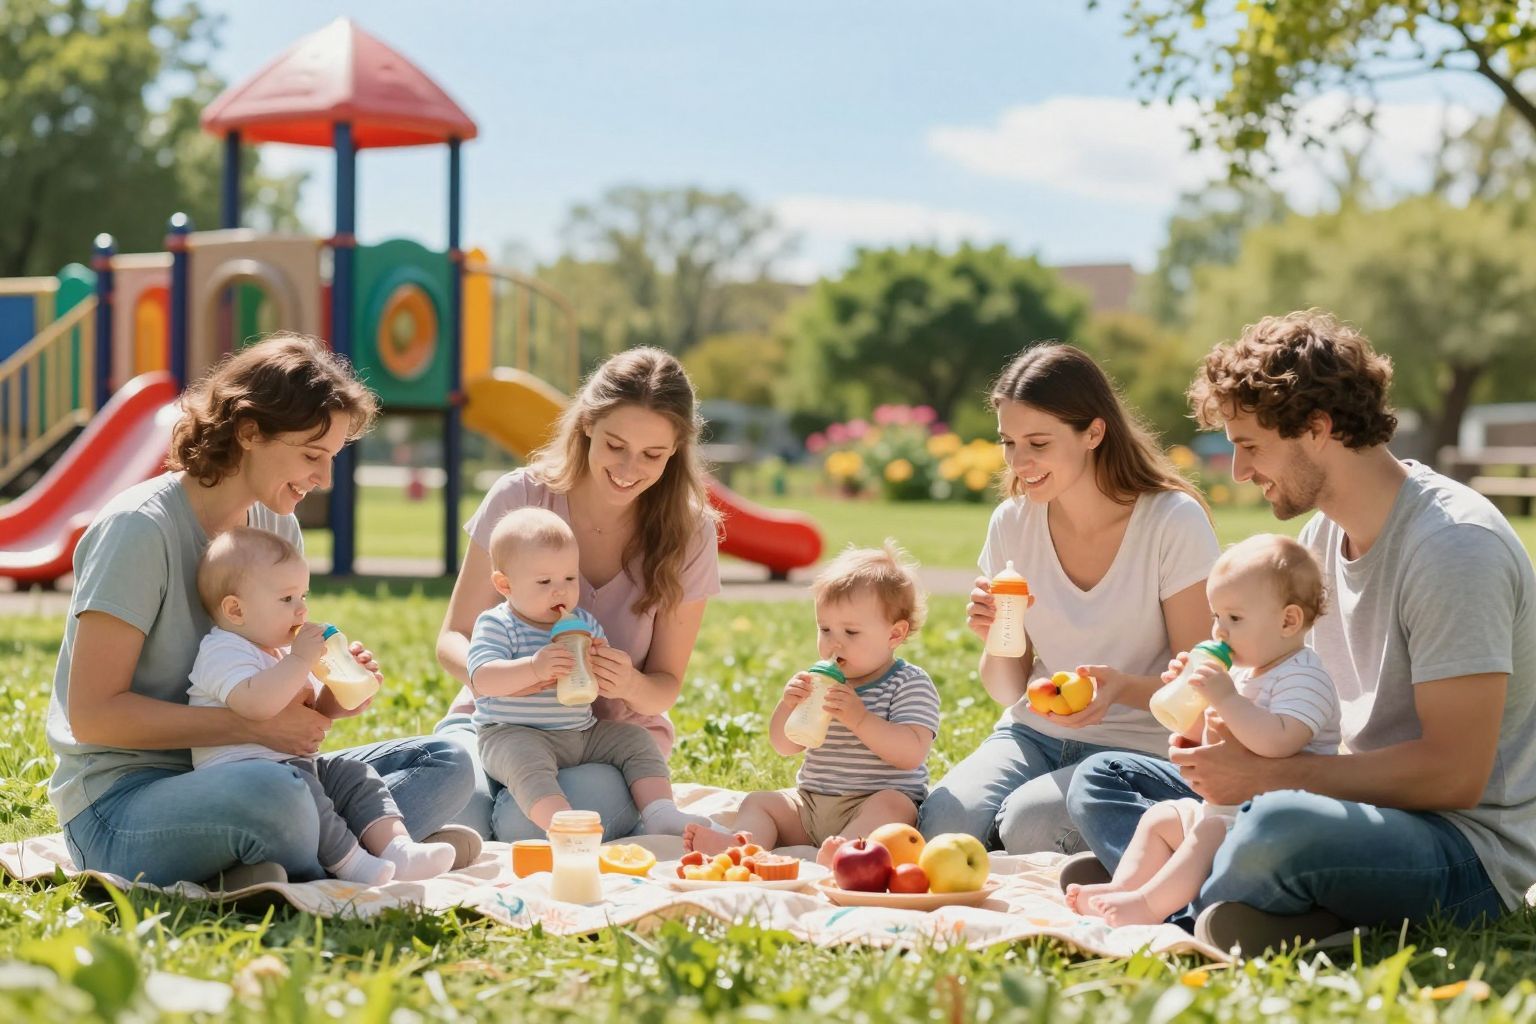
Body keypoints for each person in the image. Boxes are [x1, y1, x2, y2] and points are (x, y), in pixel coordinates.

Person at [1067, 309, 1536, 953]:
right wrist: (1219, 707)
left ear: (1317, 428)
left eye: (1251, 446)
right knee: (1103, 778)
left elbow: (1454, 776)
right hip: (1340, 798)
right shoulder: (1319, 539)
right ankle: (1233, 900)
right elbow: (1291, 697)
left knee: (1279, 825)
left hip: (1459, 848)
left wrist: (1265, 780)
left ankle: (1175, 892)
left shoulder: (1454, 546)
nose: (1238, 471)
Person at [47, 335, 477, 888]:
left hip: (253, 765)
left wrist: (328, 697)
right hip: (124, 803)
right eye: (311, 455)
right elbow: (93, 716)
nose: (324, 478)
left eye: (331, 459)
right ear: (249, 432)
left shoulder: (275, 526)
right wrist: (254, 726)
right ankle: (356, 850)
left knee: (446, 762)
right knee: (278, 799)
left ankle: (293, 859)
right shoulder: (139, 530)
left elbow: (274, 686)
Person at [918, 344, 1219, 854]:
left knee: (1030, 825)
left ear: (1094, 433)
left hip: (1137, 748)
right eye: (1009, 442)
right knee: (944, 823)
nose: (1020, 462)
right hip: (1033, 734)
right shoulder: (1013, 523)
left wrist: (1119, 690)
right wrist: (996, 638)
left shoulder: (1171, 522)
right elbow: (1006, 689)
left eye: (1038, 442)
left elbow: (1201, 686)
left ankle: (1039, 832)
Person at [435, 348, 722, 842]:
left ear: (676, 450)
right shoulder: (519, 498)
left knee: (524, 824)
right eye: (615, 445)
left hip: (601, 742)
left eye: (653, 455)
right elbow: (453, 638)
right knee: (461, 811)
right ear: (588, 423)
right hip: (494, 722)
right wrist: (510, 678)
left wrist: (628, 683)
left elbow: (665, 685)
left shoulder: (690, 533)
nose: (629, 468)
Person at [1067, 534, 1339, 925]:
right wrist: (1188, 698)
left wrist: (1225, 697)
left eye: (1235, 619)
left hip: (1277, 826)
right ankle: (1123, 888)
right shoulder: (1244, 672)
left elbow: (1278, 742)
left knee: (1208, 833)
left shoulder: (1304, 677)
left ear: (1288, 621)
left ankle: (1151, 906)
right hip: (1227, 810)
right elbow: (1209, 736)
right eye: (1216, 617)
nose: (1219, 632)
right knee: (1161, 819)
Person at [188, 527, 458, 884]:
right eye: (287, 598)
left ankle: (398, 849)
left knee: (354, 774)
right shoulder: (223, 649)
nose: (302, 609)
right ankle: (353, 865)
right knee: (304, 788)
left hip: (296, 766)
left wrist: (348, 687)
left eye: (304, 595)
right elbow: (256, 704)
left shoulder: (283, 652)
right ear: (236, 609)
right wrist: (299, 660)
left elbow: (316, 710)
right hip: (248, 782)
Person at [468, 508, 718, 836]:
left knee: (634, 740)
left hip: (580, 731)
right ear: (505, 584)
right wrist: (533, 667)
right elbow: (482, 677)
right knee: (525, 763)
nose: (560, 591)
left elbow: (597, 680)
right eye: (544, 582)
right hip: (513, 733)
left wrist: (605, 667)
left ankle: (660, 812)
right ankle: (564, 825)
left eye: (570, 578)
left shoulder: (583, 624)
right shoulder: (499, 623)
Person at [684, 541, 940, 858]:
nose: (834, 643)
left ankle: (848, 852)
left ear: (894, 634)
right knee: (760, 802)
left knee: (895, 806)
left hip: (871, 804)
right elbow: (784, 746)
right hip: (811, 804)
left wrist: (860, 719)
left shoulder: (908, 683)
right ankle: (742, 847)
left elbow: (911, 753)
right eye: (825, 629)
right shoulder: (819, 681)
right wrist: (788, 706)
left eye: (851, 632)